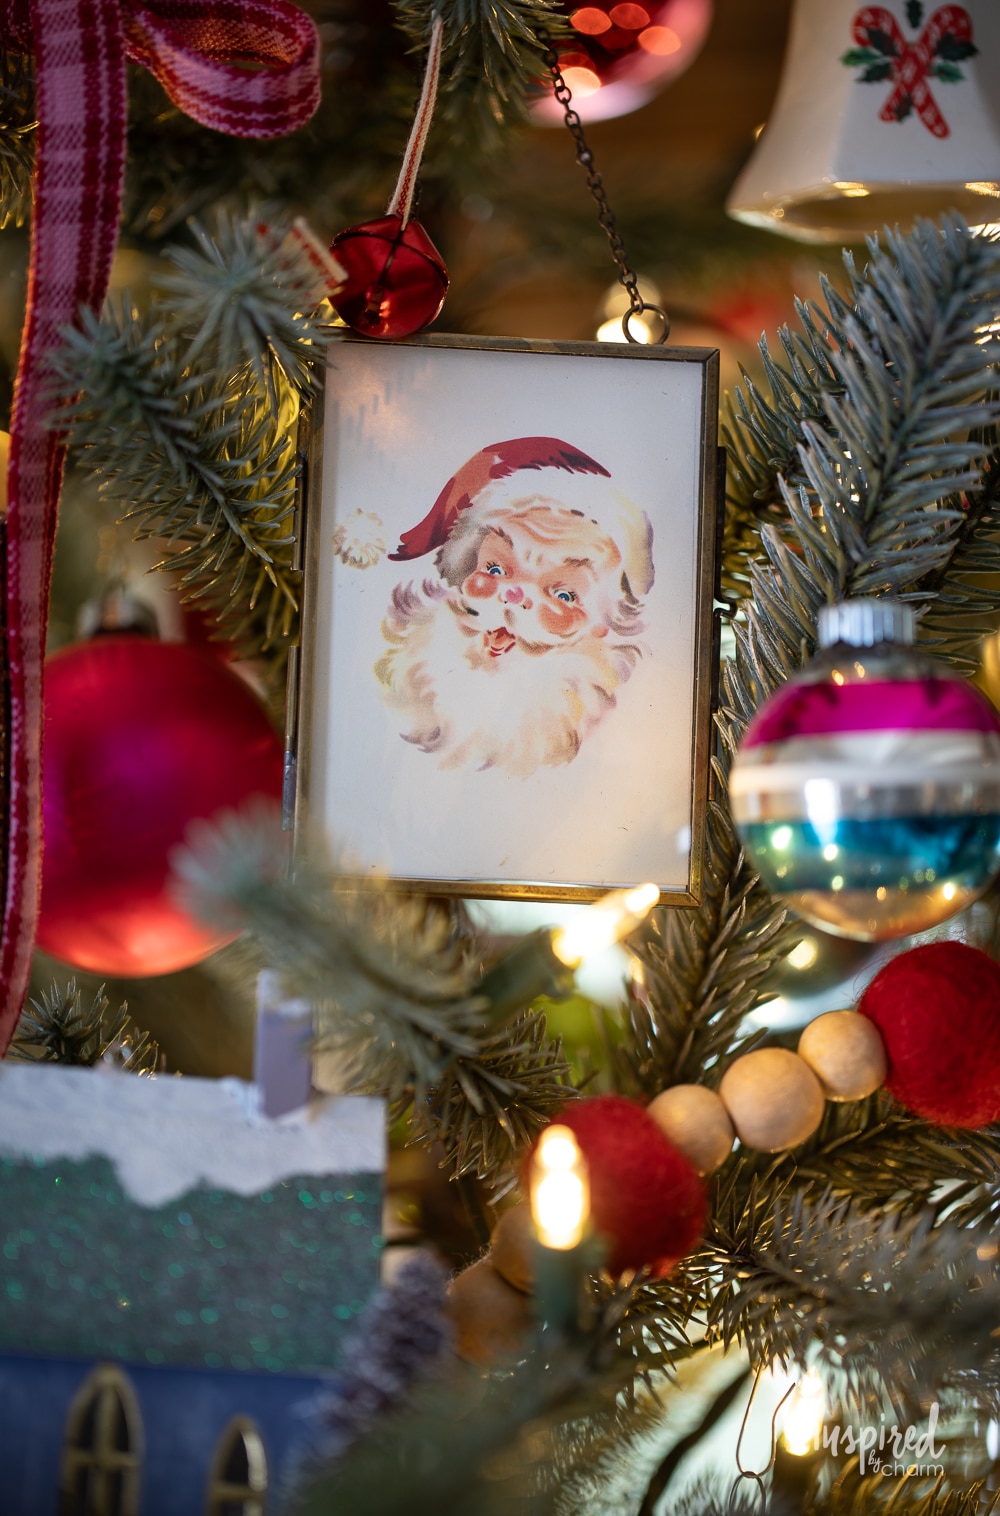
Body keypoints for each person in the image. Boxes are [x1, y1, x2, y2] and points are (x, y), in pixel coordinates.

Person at [374, 436, 655, 779]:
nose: (515, 596)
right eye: (495, 568)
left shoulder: (604, 736)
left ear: (604, 622)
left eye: (564, 595)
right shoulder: (412, 675)